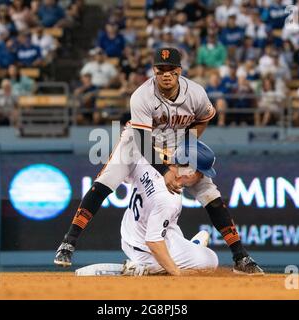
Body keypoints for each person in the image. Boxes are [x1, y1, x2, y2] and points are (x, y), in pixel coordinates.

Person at [54, 47, 264, 275]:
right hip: (137, 140)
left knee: (209, 192)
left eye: (171, 70)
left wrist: (187, 144)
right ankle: (69, 241)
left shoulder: (195, 93)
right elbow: (142, 140)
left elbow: (204, 118)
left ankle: (240, 256)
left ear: (179, 71)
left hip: (175, 142)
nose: (166, 74)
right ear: (154, 70)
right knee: (104, 183)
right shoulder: (142, 95)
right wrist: (165, 170)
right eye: (160, 69)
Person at [120, 140, 219, 276]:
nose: (201, 177)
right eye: (201, 173)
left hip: (128, 235)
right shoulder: (169, 198)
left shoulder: (148, 162)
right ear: (189, 172)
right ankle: (145, 269)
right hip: (146, 251)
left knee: (171, 227)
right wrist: (175, 272)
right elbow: (153, 242)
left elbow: (124, 176)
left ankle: (185, 252)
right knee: (210, 261)